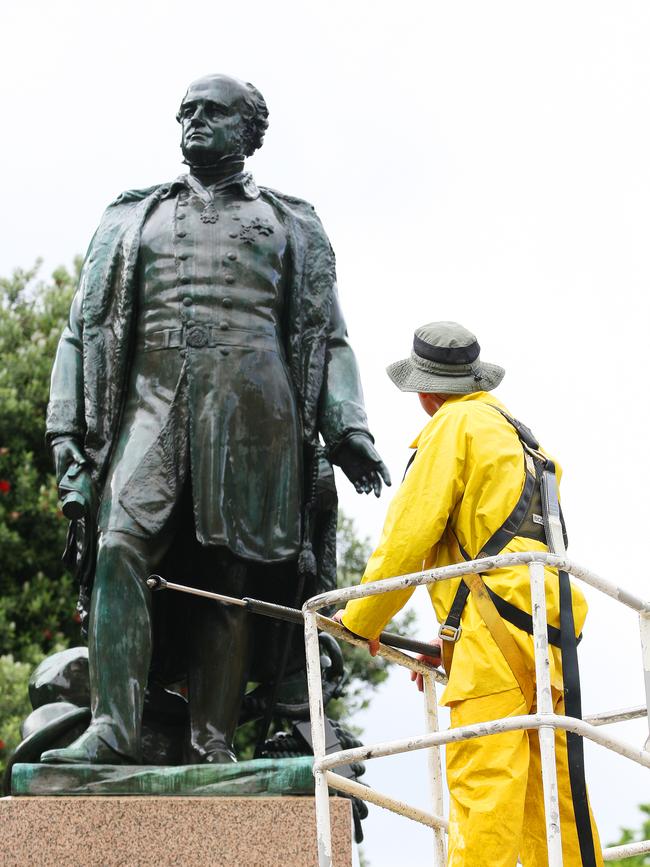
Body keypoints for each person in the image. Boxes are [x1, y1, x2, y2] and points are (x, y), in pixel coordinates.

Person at [42, 73, 390, 766]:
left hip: (256, 414)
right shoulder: (129, 216)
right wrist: (64, 429)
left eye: (211, 111)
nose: (193, 122)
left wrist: (347, 427)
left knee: (228, 575)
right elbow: (82, 329)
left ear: (249, 129)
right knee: (119, 545)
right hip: (151, 402)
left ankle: (213, 740)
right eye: (185, 112)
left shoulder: (292, 222)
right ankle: (113, 725)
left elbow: (329, 334)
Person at [333, 321, 603, 866]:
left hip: (495, 640)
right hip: (551, 634)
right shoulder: (520, 435)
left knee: (486, 794)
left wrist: (359, 619)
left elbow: (408, 538)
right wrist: (451, 642)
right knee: (555, 800)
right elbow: (500, 549)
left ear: (424, 391)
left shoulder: (451, 427)